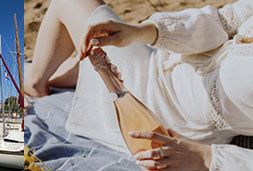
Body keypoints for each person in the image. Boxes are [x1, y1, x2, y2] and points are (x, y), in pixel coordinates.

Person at [24, 0, 253, 170]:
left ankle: (41, 81)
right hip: (164, 58)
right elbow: (223, 21)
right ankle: (66, 75)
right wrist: (140, 32)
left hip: (162, 110)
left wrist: (206, 157)